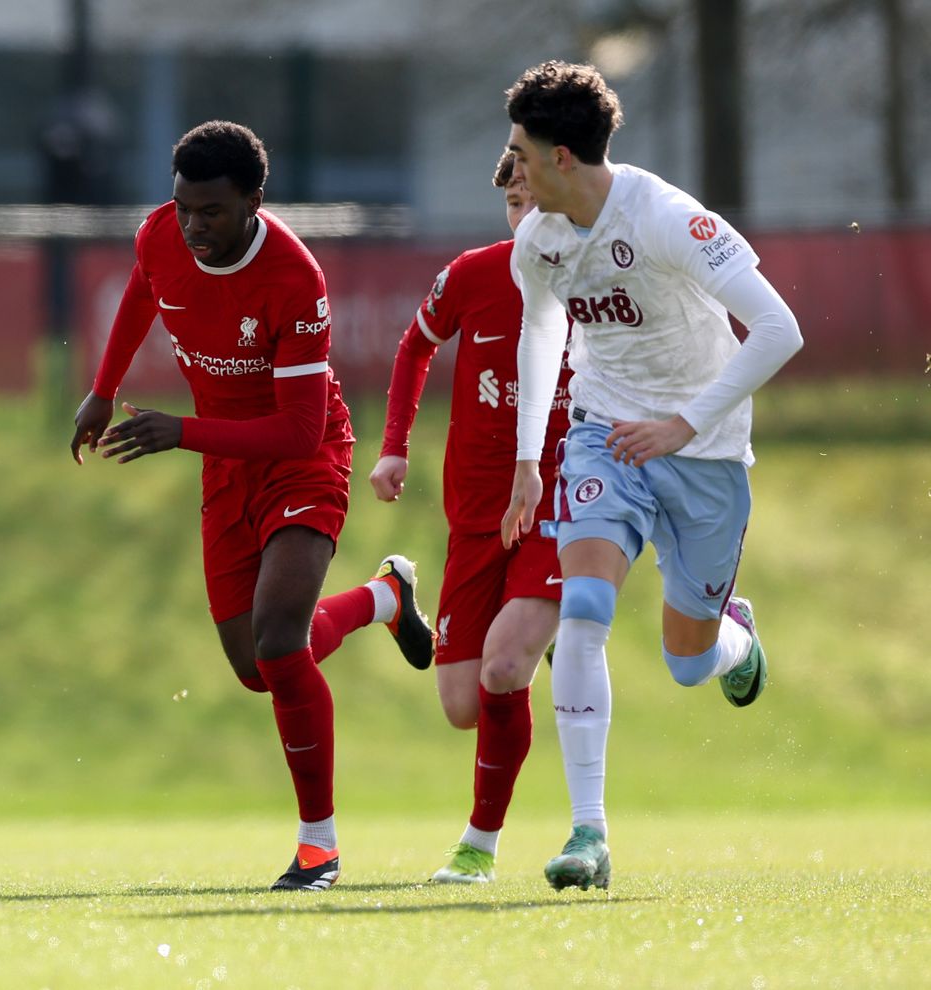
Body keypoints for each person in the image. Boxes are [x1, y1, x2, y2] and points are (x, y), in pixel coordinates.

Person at [70, 120, 434, 892]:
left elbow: (299, 427)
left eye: (211, 212)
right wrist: (102, 391)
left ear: (254, 203)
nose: (192, 228)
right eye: (182, 209)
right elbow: (142, 289)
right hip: (226, 468)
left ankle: (318, 847)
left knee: (278, 641)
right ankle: (382, 598)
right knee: (257, 669)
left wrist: (181, 432)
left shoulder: (295, 280)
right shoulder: (161, 235)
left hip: (302, 460)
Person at [499, 61, 803, 890]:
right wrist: (531, 458)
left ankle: (733, 638)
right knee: (586, 608)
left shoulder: (666, 217)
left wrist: (683, 423)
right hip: (603, 437)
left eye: (522, 153)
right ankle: (587, 835)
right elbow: (540, 337)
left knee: (685, 661)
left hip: (703, 455)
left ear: (563, 156)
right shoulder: (540, 239)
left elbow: (781, 328)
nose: (512, 171)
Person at [368, 153, 571, 883]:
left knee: (504, 664)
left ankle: (477, 847)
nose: (526, 218)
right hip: (475, 516)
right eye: (514, 204)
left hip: (559, 503)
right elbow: (415, 345)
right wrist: (394, 448)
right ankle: (527, 634)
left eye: (537, 202)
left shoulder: (593, 278)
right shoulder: (470, 275)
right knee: (462, 704)